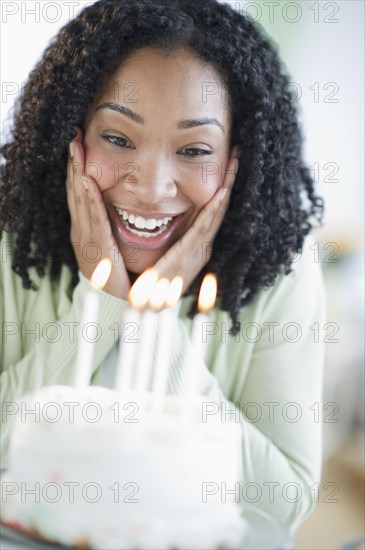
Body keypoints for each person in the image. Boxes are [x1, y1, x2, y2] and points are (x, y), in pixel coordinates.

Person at [0, 0, 325, 546]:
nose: (151, 188)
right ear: (71, 131)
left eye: (194, 149)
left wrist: (150, 319)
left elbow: (282, 506)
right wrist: (101, 297)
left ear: (236, 160)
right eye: (118, 139)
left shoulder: (281, 273)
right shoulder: (12, 239)